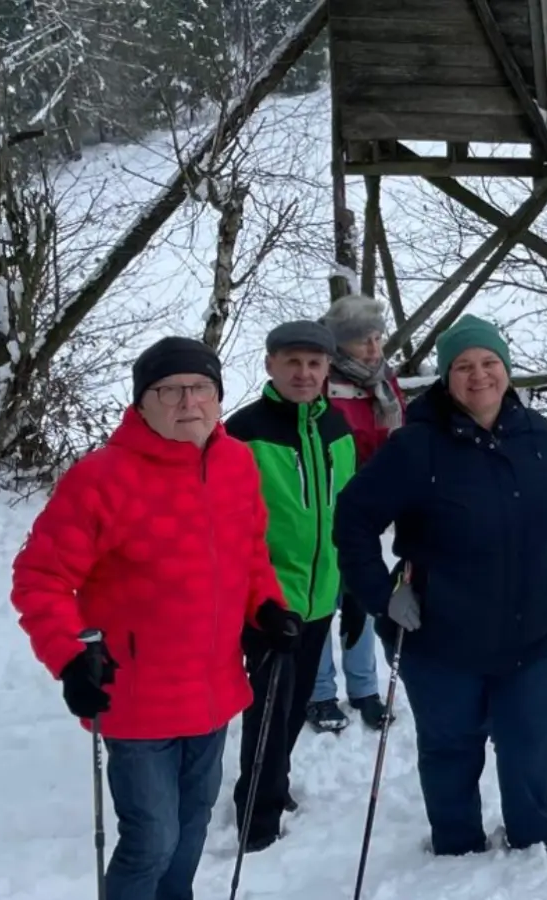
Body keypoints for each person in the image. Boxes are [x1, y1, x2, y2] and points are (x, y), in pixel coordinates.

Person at [11, 336, 297, 900]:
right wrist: (71, 658)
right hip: (136, 697)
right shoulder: (101, 478)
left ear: (217, 398)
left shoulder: (237, 463)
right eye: (170, 390)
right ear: (142, 403)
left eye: (201, 388)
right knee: (152, 838)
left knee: (190, 832)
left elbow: (250, 553)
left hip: (214, 690)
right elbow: (39, 578)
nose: (188, 401)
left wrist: (264, 607)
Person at [334, 314, 547, 856]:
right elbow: (353, 519)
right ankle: (455, 847)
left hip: (533, 631)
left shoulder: (537, 436)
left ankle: (532, 838)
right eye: (463, 366)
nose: (479, 375)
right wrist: (381, 596)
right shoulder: (416, 447)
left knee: (532, 745)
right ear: (446, 377)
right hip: (443, 637)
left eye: (490, 362)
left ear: (507, 369)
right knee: (451, 748)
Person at [224, 321, 358, 850]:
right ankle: (255, 820)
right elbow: (230, 525)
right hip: (268, 604)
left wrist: (353, 591)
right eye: (292, 363)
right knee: (266, 713)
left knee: (296, 701)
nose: (304, 374)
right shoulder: (243, 432)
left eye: (314, 364)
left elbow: (348, 513)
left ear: (327, 370)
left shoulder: (338, 429)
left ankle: (274, 786)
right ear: (270, 366)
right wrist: (257, 601)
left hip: (321, 596)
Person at [310, 294, 407, 732]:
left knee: (361, 598)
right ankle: (319, 693)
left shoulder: (383, 380)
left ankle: (365, 688)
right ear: (338, 344)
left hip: (367, 507)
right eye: (361, 341)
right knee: (320, 603)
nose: (373, 348)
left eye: (376, 337)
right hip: (322, 508)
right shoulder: (320, 380)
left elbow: (397, 430)